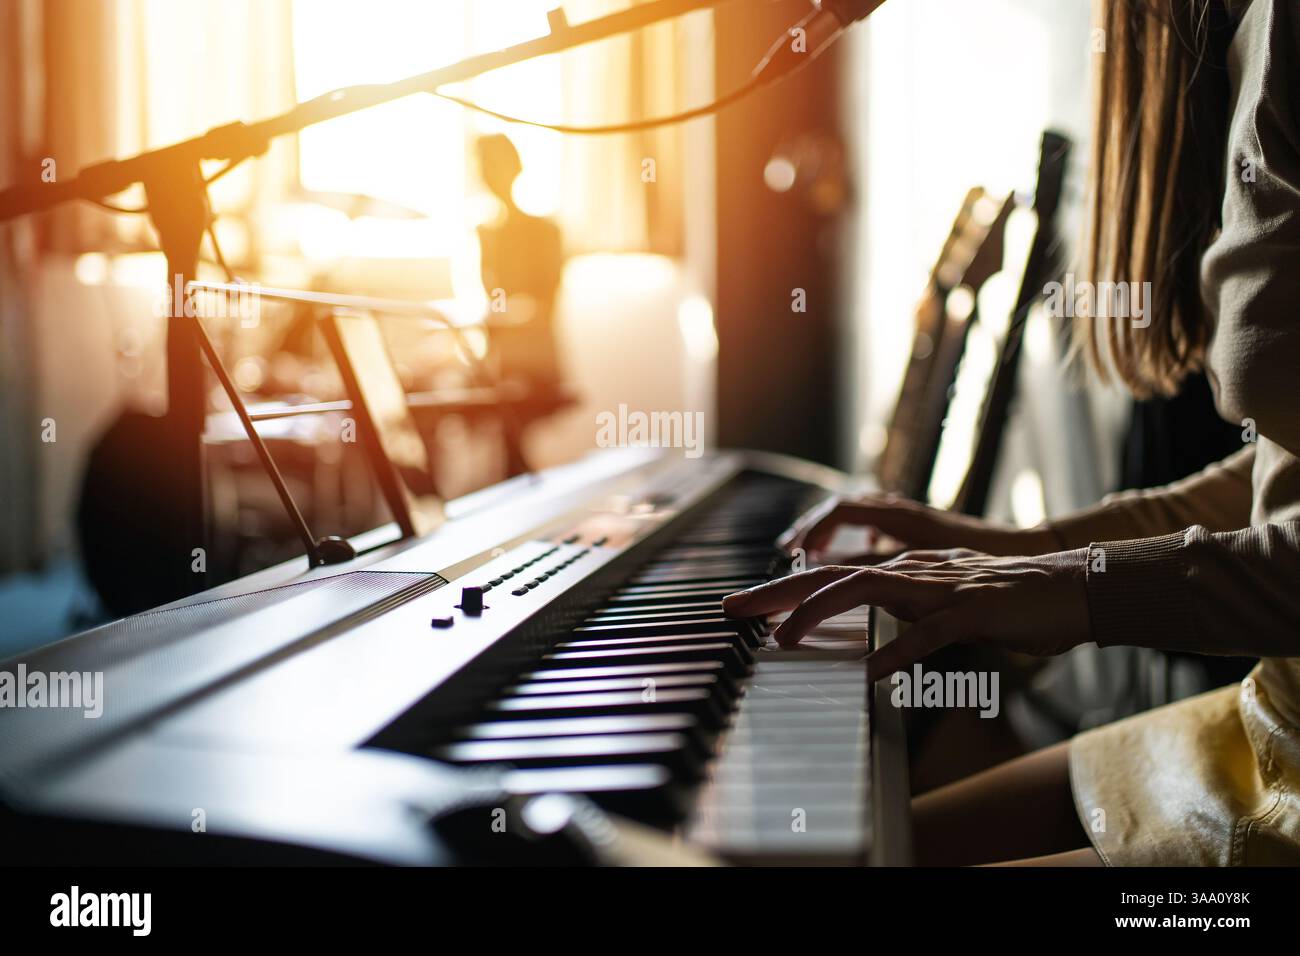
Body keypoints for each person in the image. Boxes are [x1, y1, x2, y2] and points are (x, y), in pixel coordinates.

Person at [725, 0, 1300, 866]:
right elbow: (1283, 462)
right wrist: (1024, 549)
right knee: (830, 852)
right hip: (1268, 718)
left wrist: (1079, 588)